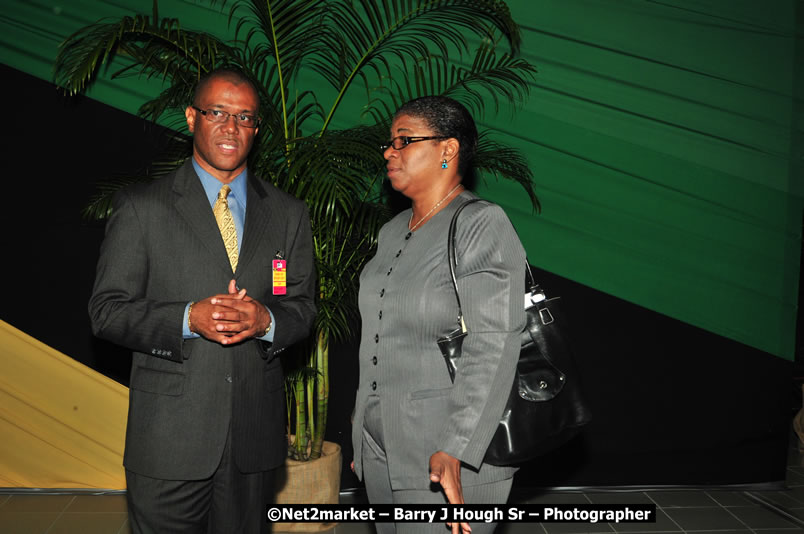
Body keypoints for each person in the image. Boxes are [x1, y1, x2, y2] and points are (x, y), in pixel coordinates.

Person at [89, 67, 316, 533]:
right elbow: (107, 311)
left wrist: (265, 321)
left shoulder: (289, 214)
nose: (231, 127)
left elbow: (303, 309)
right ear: (192, 117)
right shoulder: (143, 207)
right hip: (169, 437)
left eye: (245, 117)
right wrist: (188, 318)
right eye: (218, 112)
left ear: (256, 128)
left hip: (252, 438)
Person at [351, 96, 526, 534]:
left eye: (404, 140)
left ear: (448, 150)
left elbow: (495, 341)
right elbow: (378, 339)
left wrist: (456, 448)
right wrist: (364, 432)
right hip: (381, 451)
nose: (390, 151)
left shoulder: (480, 224)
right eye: (389, 143)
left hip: (447, 456)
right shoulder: (391, 232)